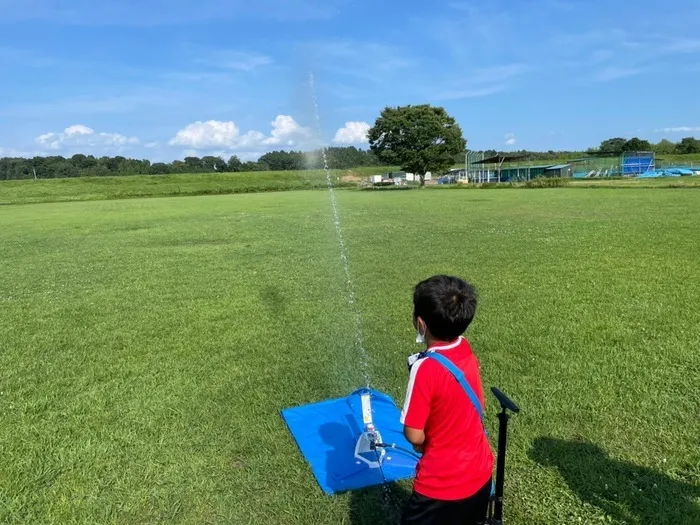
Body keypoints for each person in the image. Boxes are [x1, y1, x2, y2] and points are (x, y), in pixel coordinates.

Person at [400, 275, 494, 525]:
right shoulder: (464, 347)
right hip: (480, 473)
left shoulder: (425, 368)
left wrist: (423, 443)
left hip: (441, 487)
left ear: (421, 323)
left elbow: (413, 434)